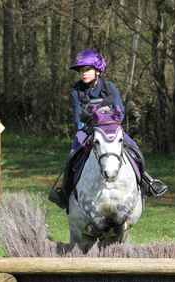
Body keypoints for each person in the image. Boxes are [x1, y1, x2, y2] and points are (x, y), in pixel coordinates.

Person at [49, 49, 168, 210]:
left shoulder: (109, 87)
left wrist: (108, 120)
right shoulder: (76, 90)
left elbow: (120, 111)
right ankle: (65, 191)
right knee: (72, 155)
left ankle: (147, 182)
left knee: (134, 148)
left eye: (87, 70)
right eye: (81, 71)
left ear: (97, 70)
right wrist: (86, 127)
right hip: (87, 130)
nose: (83, 73)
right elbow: (78, 117)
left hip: (111, 128)